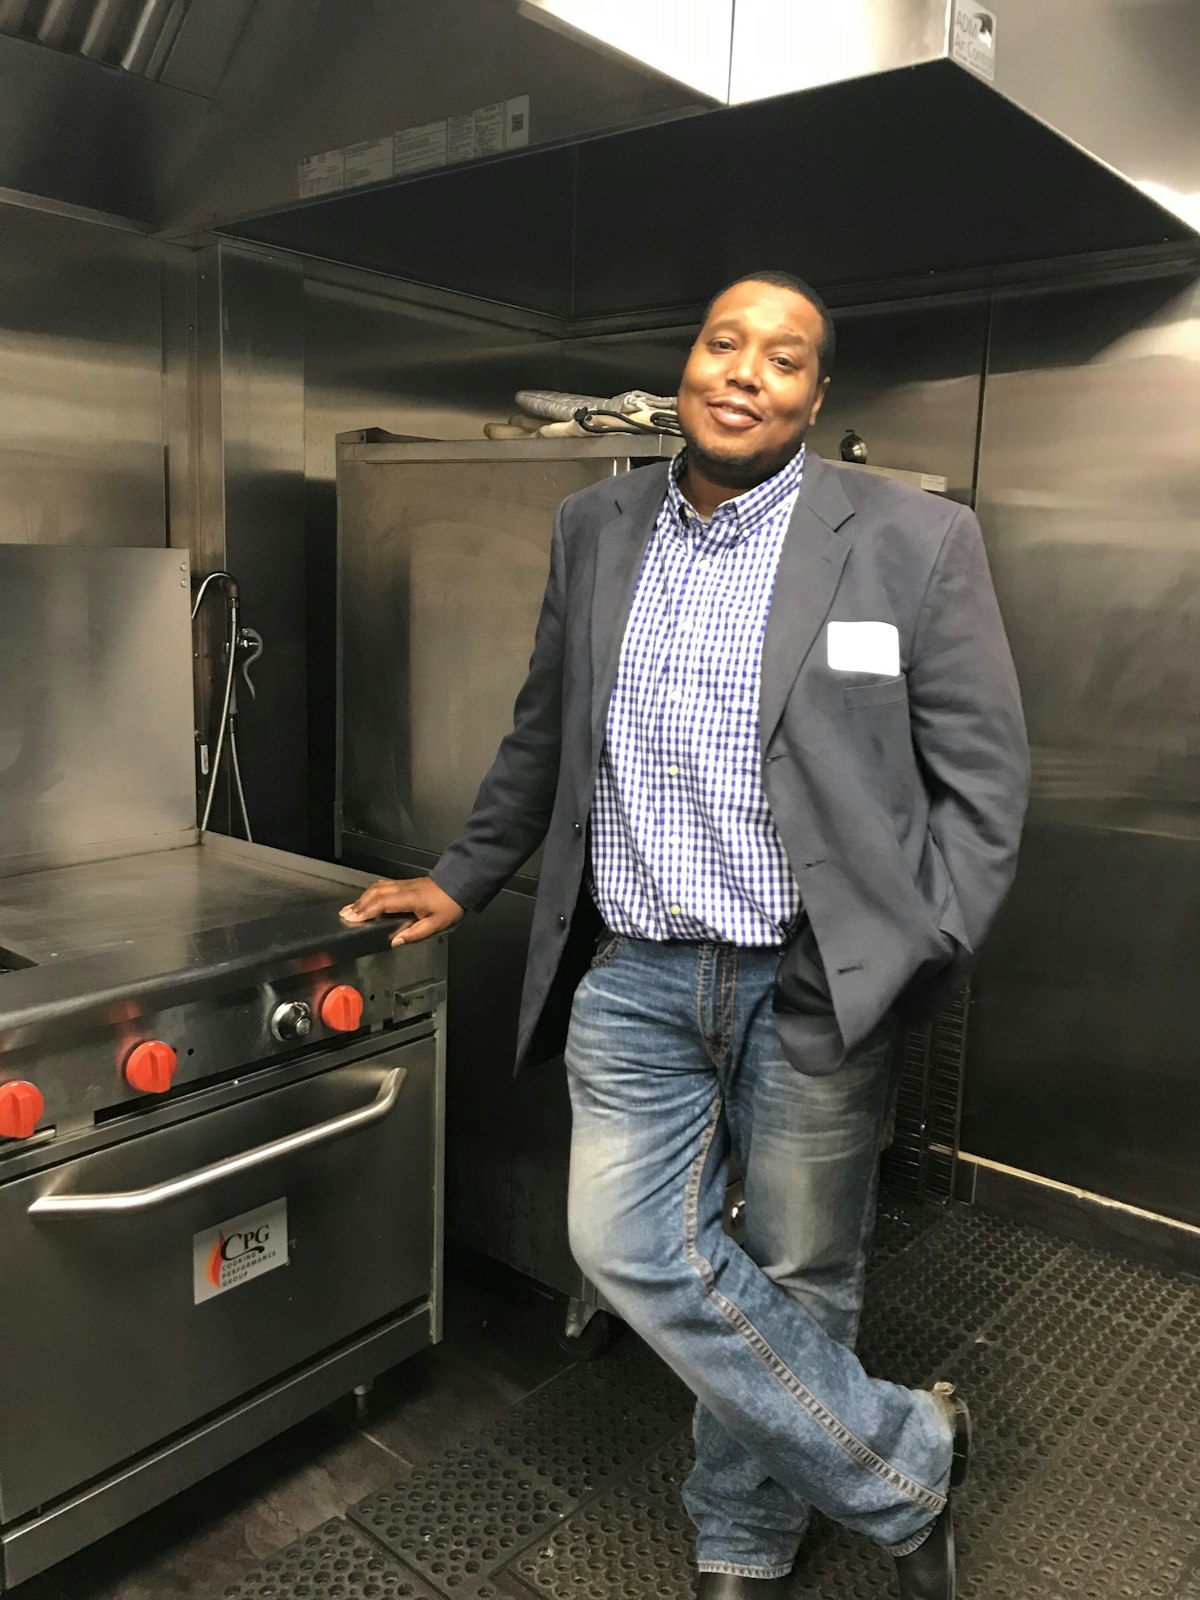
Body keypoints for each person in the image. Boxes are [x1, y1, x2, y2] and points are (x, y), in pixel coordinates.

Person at [341, 270, 1030, 1599]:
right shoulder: (595, 526)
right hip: (641, 969)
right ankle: (907, 1459)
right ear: (687, 363)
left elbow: (983, 785)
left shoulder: (909, 540)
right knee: (627, 1246)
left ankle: (745, 1532)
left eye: (784, 358)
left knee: (801, 1265)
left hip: (815, 977)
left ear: (817, 397)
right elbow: (545, 732)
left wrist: (914, 943)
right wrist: (463, 875)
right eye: (726, 342)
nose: (745, 371)